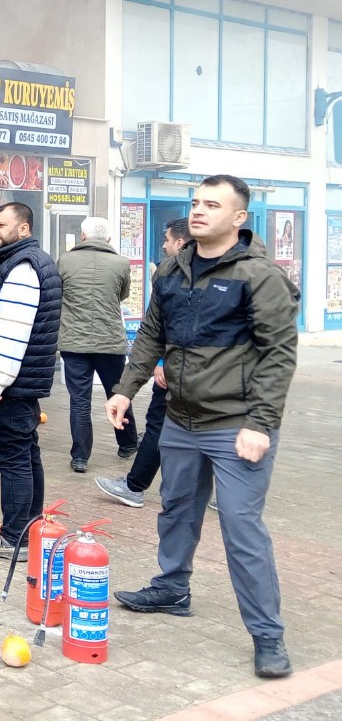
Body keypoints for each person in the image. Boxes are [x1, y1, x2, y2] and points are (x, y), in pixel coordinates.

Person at [106, 176, 298, 679]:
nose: (198, 211)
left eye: (212, 204)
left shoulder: (259, 275)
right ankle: (172, 589)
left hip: (237, 425)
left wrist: (261, 423)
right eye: (195, 202)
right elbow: (152, 333)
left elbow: (279, 355)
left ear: (239, 218)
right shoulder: (173, 268)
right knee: (176, 509)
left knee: (241, 527)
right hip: (181, 419)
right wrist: (125, 388)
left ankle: (268, 635)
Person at [0, 202, 62, 558]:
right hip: (19, 384)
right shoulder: (25, 261)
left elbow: (14, 330)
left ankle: (14, 537)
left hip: (9, 386)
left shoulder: (23, 267)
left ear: (23, 229)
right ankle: (28, 529)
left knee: (13, 458)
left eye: (2, 225)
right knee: (25, 453)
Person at [96, 218, 190, 508]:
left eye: (167, 239)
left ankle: (135, 485)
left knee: (162, 427)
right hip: (171, 370)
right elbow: (154, 330)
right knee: (165, 426)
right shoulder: (167, 272)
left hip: (206, 384)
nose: (163, 245)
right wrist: (126, 390)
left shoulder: (245, 272)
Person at [57, 216, 141, 473]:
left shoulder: (65, 260)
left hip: (74, 342)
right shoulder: (121, 263)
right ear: (109, 238)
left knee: (79, 400)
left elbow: (59, 293)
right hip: (110, 342)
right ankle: (127, 444)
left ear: (83, 236)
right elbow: (122, 294)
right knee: (118, 394)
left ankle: (80, 457)